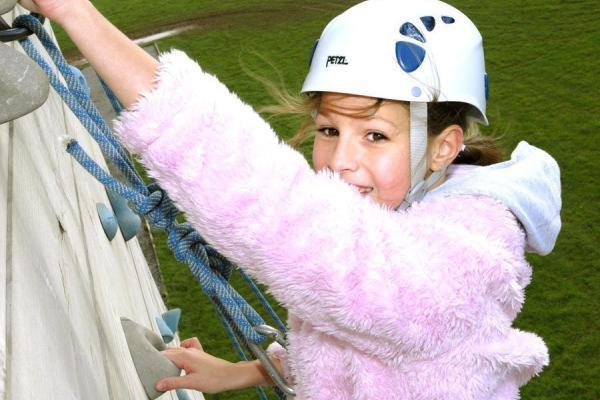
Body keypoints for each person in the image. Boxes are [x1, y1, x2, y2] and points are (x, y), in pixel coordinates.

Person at [20, 0, 562, 398]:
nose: (341, 160)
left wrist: (78, 15)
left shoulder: (463, 262)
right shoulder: (411, 224)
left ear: (444, 148)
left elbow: (291, 222)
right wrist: (252, 369)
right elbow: (373, 348)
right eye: (329, 130)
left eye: (375, 135)